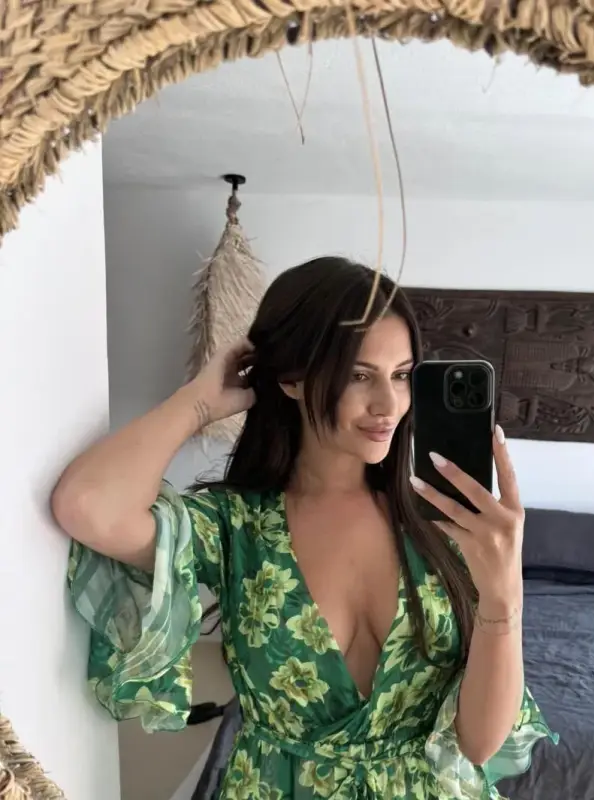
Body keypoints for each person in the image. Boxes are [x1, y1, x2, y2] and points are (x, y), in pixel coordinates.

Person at [52, 257, 557, 799]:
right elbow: (88, 505)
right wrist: (199, 403)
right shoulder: (236, 527)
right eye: (359, 375)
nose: (388, 404)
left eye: (402, 375)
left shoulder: (446, 526)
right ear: (292, 378)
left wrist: (504, 595)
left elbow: (478, 745)